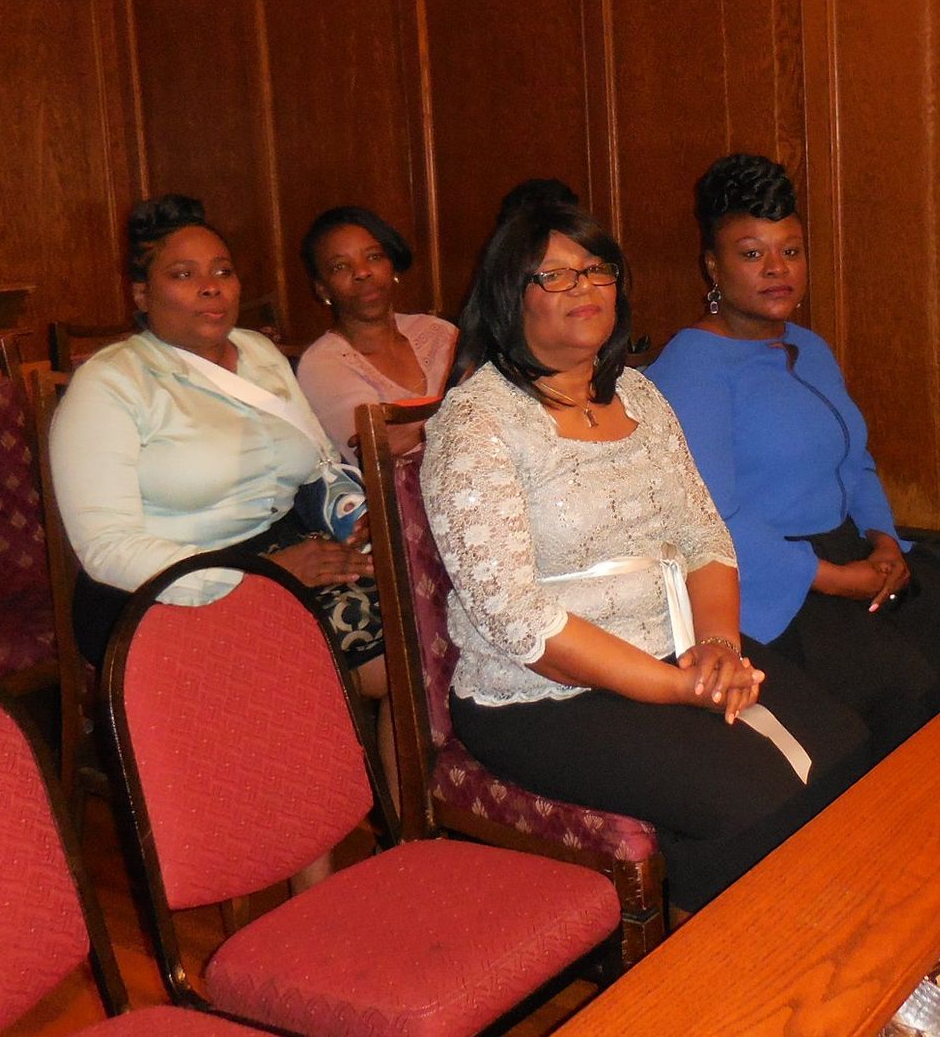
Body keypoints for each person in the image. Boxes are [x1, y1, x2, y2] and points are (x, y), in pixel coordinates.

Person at [421, 201, 867, 911]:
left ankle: (837, 935)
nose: (585, 287)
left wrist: (718, 645)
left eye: (596, 269)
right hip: (545, 696)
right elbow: (518, 619)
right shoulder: (476, 423)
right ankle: (731, 962)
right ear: (511, 295)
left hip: (675, 646)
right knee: (751, 796)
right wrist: (675, 688)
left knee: (846, 745)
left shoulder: (637, 392)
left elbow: (704, 535)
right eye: (556, 275)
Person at [647, 155, 940, 759]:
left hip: (852, 551)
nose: (777, 269)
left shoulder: (808, 347)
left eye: (791, 251)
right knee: (902, 692)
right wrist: (834, 579)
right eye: (752, 253)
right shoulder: (690, 368)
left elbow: (854, 463)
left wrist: (884, 542)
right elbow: (712, 519)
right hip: (769, 581)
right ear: (712, 265)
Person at [49, 195, 384, 687]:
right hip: (159, 590)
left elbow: (318, 464)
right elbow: (107, 548)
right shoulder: (110, 384)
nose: (211, 287)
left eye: (223, 271)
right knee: (387, 660)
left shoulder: (259, 352)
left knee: (421, 613)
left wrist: (354, 521)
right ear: (142, 295)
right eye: (184, 275)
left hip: (287, 550)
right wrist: (260, 575)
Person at [295, 205, 456, 456]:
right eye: (340, 266)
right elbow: (379, 448)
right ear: (322, 289)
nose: (362, 272)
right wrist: (461, 412)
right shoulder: (321, 364)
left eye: (373, 257)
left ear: (393, 267)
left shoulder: (439, 333)